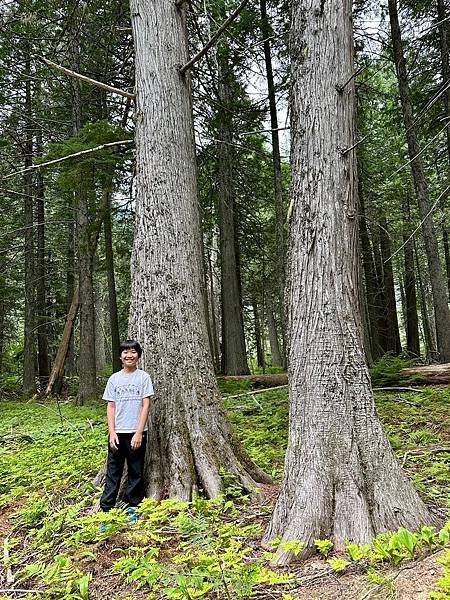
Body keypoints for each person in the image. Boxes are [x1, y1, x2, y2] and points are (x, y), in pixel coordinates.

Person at [99, 339, 154, 517]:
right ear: (120, 356)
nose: (129, 355)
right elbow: (111, 406)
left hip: (136, 433)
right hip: (117, 433)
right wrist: (112, 432)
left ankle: (133, 508)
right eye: (125, 352)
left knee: (135, 471)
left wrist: (139, 432)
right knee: (113, 471)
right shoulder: (114, 379)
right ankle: (106, 510)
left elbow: (146, 405)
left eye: (133, 352)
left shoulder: (143, 377)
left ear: (138, 355)